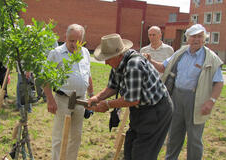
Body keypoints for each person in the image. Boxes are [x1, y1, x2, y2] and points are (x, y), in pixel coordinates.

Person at [144, 24, 224, 160]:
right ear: (188, 39)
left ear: (204, 39)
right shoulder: (181, 52)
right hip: (176, 97)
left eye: (200, 36)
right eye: (193, 36)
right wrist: (150, 60)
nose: (196, 39)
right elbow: (164, 67)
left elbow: (219, 82)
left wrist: (211, 101)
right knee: (174, 133)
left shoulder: (211, 58)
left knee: (194, 138)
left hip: (197, 100)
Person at [87, 33, 173, 160]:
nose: (106, 63)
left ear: (119, 55)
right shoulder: (117, 63)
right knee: (129, 151)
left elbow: (132, 99)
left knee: (142, 154)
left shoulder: (134, 65)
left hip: (156, 111)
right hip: (139, 110)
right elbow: (113, 86)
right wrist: (98, 98)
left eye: (108, 58)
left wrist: (107, 105)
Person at [43, 24, 94, 160]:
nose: (74, 44)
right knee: (59, 136)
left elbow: (88, 75)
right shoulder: (56, 53)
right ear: (65, 37)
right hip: (63, 100)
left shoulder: (85, 53)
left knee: (76, 136)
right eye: (71, 40)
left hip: (80, 100)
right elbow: (44, 77)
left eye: (77, 41)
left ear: (82, 40)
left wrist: (92, 95)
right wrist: (50, 99)